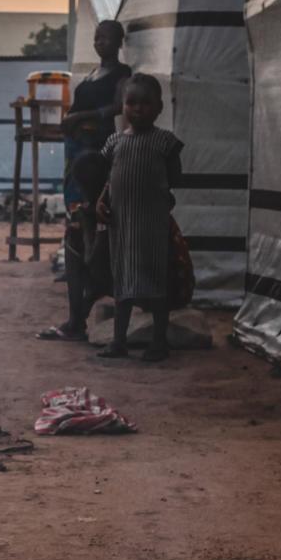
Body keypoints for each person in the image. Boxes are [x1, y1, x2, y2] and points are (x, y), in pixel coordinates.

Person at [98, 73, 183, 362]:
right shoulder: (114, 143)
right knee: (122, 283)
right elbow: (110, 180)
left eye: (145, 103)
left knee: (156, 283)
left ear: (159, 107)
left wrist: (162, 195)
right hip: (121, 227)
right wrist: (102, 199)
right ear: (122, 106)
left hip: (151, 227)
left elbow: (175, 178)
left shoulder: (165, 142)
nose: (137, 109)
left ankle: (159, 343)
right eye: (131, 102)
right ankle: (118, 341)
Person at [40, 149, 110, 342]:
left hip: (115, 278)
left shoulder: (95, 213)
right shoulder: (120, 201)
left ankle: (75, 322)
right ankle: (77, 320)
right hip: (152, 279)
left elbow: (93, 260)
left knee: (73, 243)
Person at [62, 20, 132, 214]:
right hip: (76, 141)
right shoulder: (93, 72)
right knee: (74, 193)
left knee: (91, 191)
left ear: (119, 42)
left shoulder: (122, 72)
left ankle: (91, 234)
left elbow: (118, 106)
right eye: (96, 38)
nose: (99, 42)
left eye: (105, 38)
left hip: (96, 141)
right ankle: (77, 232)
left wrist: (79, 117)